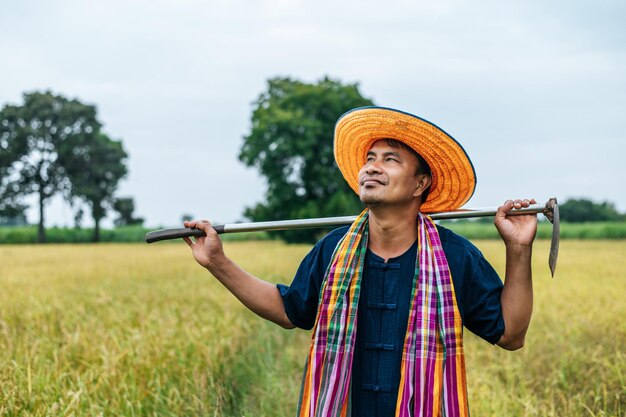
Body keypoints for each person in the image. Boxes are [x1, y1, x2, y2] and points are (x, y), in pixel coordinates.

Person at [183, 107, 537, 417]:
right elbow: (289, 310)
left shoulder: (454, 257)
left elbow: (510, 334)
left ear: (420, 184)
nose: (372, 168)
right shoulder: (334, 249)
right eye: (370, 158)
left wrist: (518, 249)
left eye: (390, 159)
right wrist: (217, 262)